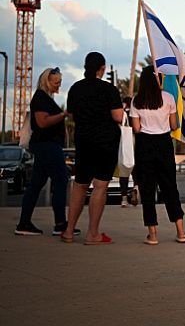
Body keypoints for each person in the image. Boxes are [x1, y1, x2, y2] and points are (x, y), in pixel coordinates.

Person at [62, 52, 123, 244]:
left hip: (83, 141)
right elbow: (118, 117)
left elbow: (71, 114)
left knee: (80, 185)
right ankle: (93, 234)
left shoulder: (75, 88)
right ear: (102, 68)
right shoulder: (109, 89)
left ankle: (69, 231)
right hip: (105, 143)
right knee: (100, 186)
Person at [15, 68, 78, 236]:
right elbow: (42, 122)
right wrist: (63, 114)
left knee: (36, 184)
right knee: (61, 179)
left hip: (44, 145)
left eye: (59, 82)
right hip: (47, 145)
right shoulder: (41, 98)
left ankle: (24, 222)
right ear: (47, 82)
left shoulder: (44, 98)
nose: (58, 86)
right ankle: (60, 223)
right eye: (56, 82)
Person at [130, 66, 185, 245]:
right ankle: (181, 231)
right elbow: (175, 125)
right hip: (163, 143)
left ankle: (153, 234)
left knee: (147, 189)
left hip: (144, 145)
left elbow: (136, 128)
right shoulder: (168, 98)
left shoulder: (136, 101)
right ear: (157, 80)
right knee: (170, 187)